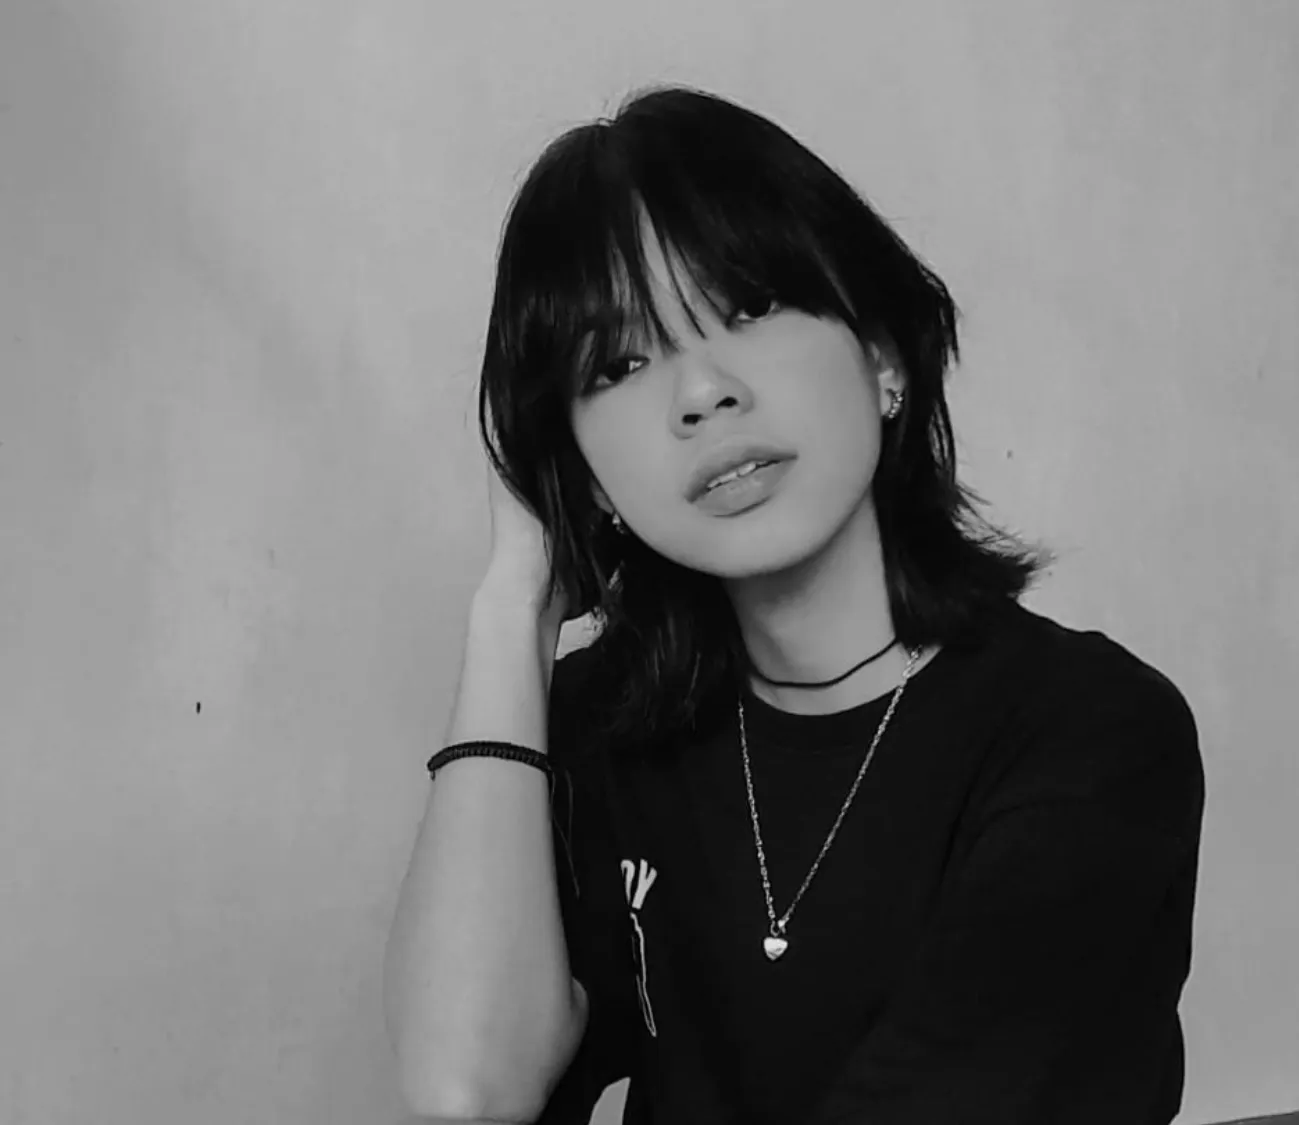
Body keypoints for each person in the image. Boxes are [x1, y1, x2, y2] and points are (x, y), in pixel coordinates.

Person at [384, 84, 1206, 1125]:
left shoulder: (1088, 733)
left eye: (747, 308)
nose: (701, 392)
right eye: (621, 363)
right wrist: (513, 607)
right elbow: (466, 1096)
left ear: (883, 358)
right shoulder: (592, 731)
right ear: (587, 477)